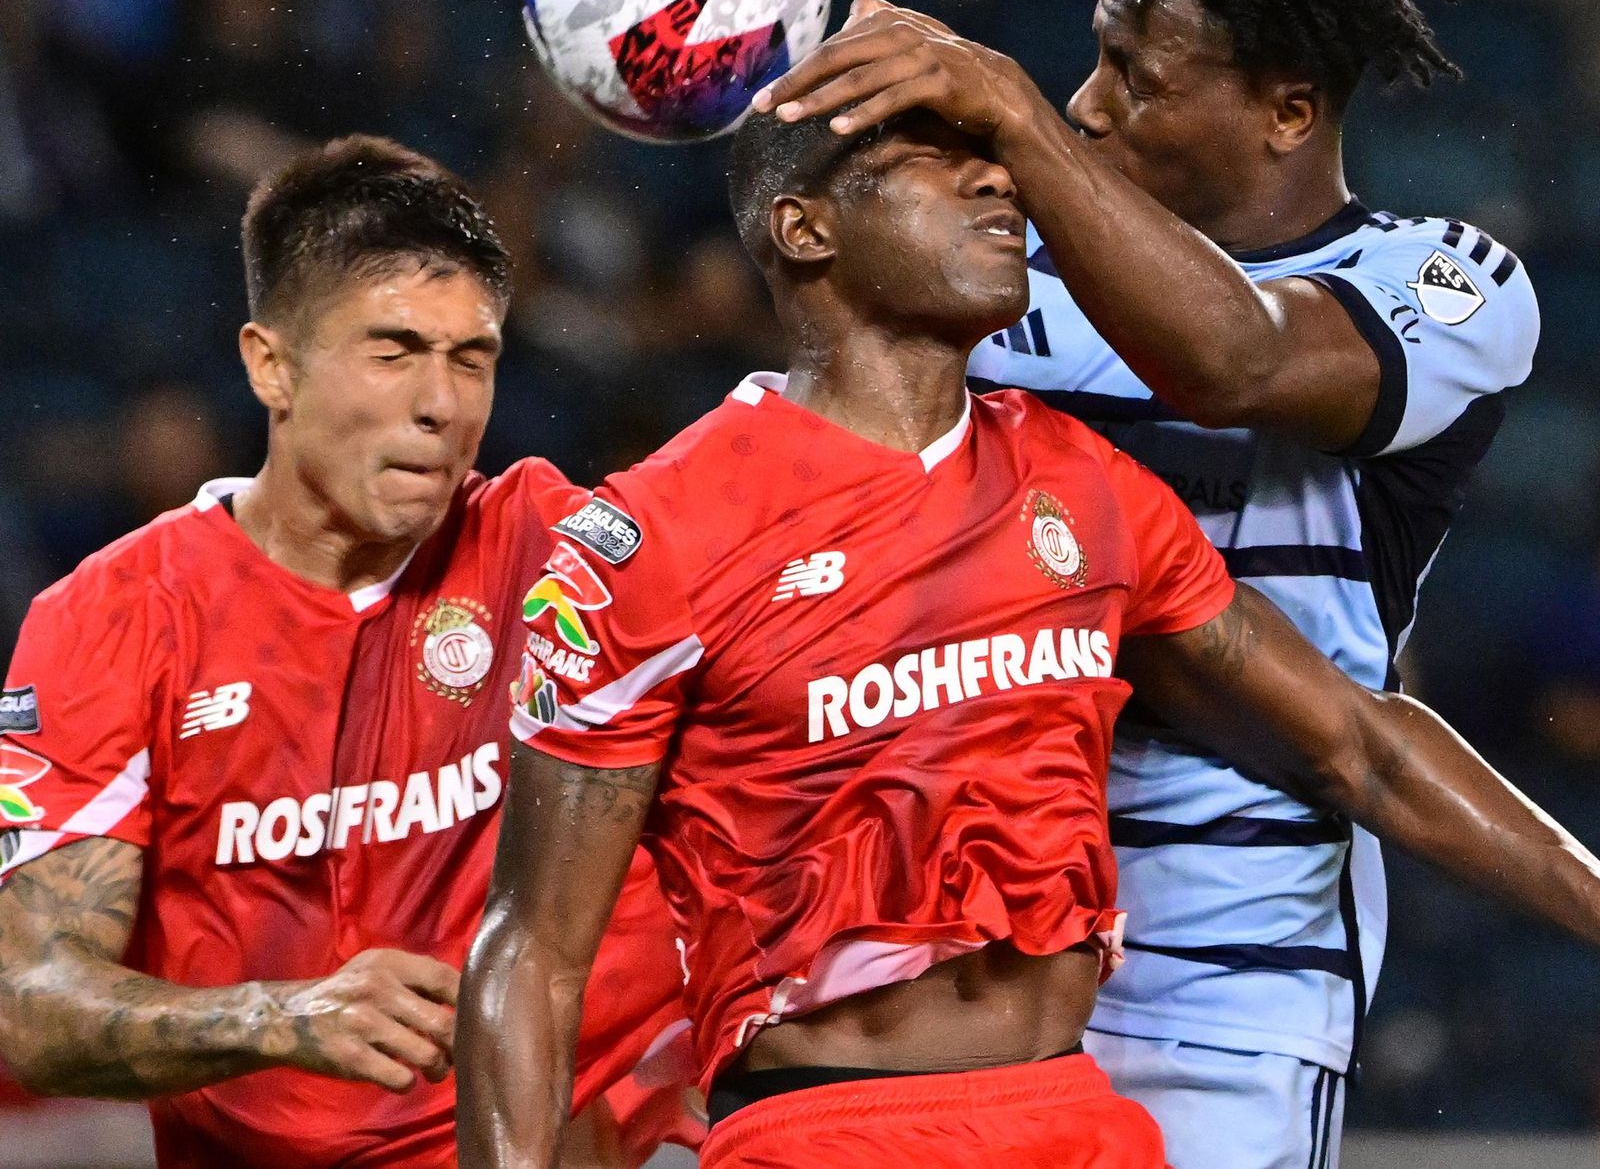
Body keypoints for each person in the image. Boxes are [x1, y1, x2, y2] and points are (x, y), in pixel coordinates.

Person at [454, 106, 1600, 1169]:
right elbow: (535, 949)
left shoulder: (1082, 484)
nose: (995, 179)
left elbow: (1359, 741)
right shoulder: (647, 535)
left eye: (989, 158)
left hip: (1071, 1115)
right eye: (929, 162)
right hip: (826, 1129)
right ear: (803, 228)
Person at [746, 0, 1539, 1168]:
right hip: (967, 949)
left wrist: (1005, 110)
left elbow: (1230, 361)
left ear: (1289, 109)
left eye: (1135, 77)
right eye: (1087, 58)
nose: (1086, 103)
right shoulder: (1006, 271)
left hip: (1231, 976)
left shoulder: (1442, 282)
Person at [0, 136, 694, 1169]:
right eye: (394, 349)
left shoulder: (553, 551)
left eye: (473, 358)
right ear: (268, 364)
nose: (442, 405)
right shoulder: (114, 618)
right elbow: (31, 1005)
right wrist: (284, 1015)